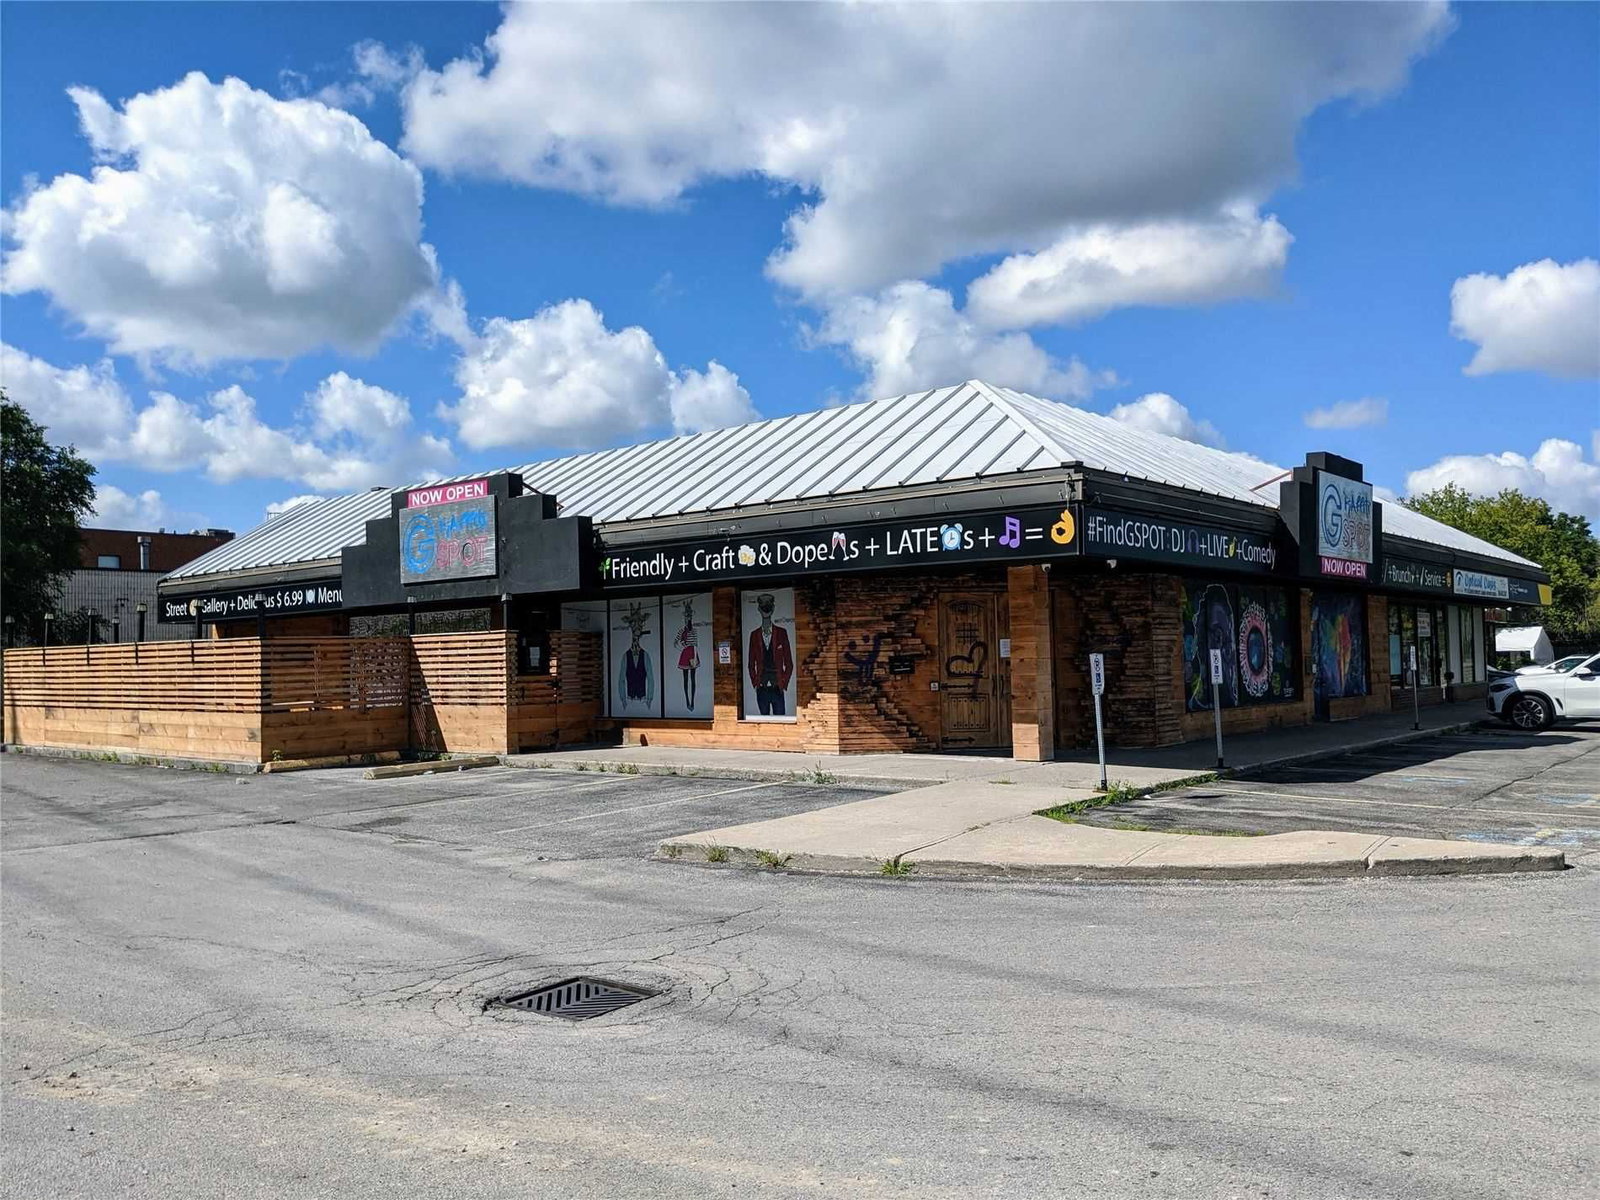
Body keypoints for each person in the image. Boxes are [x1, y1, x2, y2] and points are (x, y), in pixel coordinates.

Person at [746, 592, 793, 716]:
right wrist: (755, 683)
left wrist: (784, 682)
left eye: (768, 606)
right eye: (763, 606)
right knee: (763, 720)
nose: (766, 609)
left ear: (773, 608)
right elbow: (751, 663)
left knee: (781, 720)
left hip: (778, 687)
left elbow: (789, 663)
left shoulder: (782, 633)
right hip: (762, 687)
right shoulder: (754, 635)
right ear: (759, 609)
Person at [673, 597, 700, 711]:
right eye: (687, 617)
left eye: (689, 617)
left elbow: (696, 643)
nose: (688, 619)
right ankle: (687, 701)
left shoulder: (694, 630)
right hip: (686, 653)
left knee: (693, 679)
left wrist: (694, 655)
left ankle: (692, 701)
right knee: (686, 679)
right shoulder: (682, 631)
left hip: (693, 653)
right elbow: (675, 643)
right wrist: (683, 647)